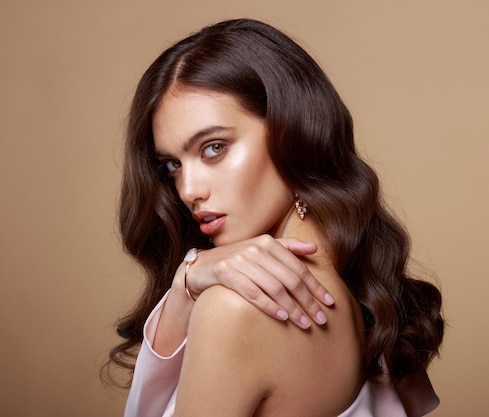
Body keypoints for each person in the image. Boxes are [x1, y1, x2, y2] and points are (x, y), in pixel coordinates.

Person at [107, 18, 444, 417]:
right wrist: (185, 286)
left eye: (214, 148)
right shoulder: (366, 287)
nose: (188, 190)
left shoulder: (234, 309)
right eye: (172, 165)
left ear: (293, 132)